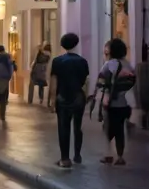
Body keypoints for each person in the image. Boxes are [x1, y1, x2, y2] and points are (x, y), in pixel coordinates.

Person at [50, 33, 90, 167]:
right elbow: (85, 81)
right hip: (78, 96)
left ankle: (65, 159)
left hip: (63, 97)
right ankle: (77, 155)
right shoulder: (83, 61)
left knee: (63, 127)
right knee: (78, 127)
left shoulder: (57, 61)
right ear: (76, 43)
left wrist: (51, 99)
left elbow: (54, 82)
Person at [97, 38, 136, 166]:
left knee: (107, 128)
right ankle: (120, 156)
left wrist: (103, 98)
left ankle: (108, 155)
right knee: (120, 130)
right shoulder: (128, 64)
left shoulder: (109, 64)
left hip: (111, 103)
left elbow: (102, 82)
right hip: (124, 103)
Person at [0, 45, 15, 123]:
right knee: (3, 97)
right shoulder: (8, 57)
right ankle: (2, 115)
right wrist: (9, 77)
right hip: (5, 80)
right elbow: (11, 68)